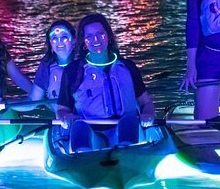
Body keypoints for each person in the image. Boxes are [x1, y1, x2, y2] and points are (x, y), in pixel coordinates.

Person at [56, 13, 156, 152]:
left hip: (124, 129)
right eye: (89, 36)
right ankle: (83, 157)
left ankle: (128, 154)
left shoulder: (127, 67)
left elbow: (146, 103)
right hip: (90, 130)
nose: (95, 39)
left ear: (108, 36)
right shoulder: (73, 72)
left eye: (100, 33)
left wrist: (148, 114)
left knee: (129, 120)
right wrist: (66, 117)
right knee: (79, 126)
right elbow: (62, 110)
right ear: (83, 42)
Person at [27, 20, 76, 103]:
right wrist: (5, 104)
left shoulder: (85, 63)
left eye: (64, 37)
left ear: (74, 40)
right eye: (54, 38)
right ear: (50, 43)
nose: (59, 41)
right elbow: (33, 101)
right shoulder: (46, 65)